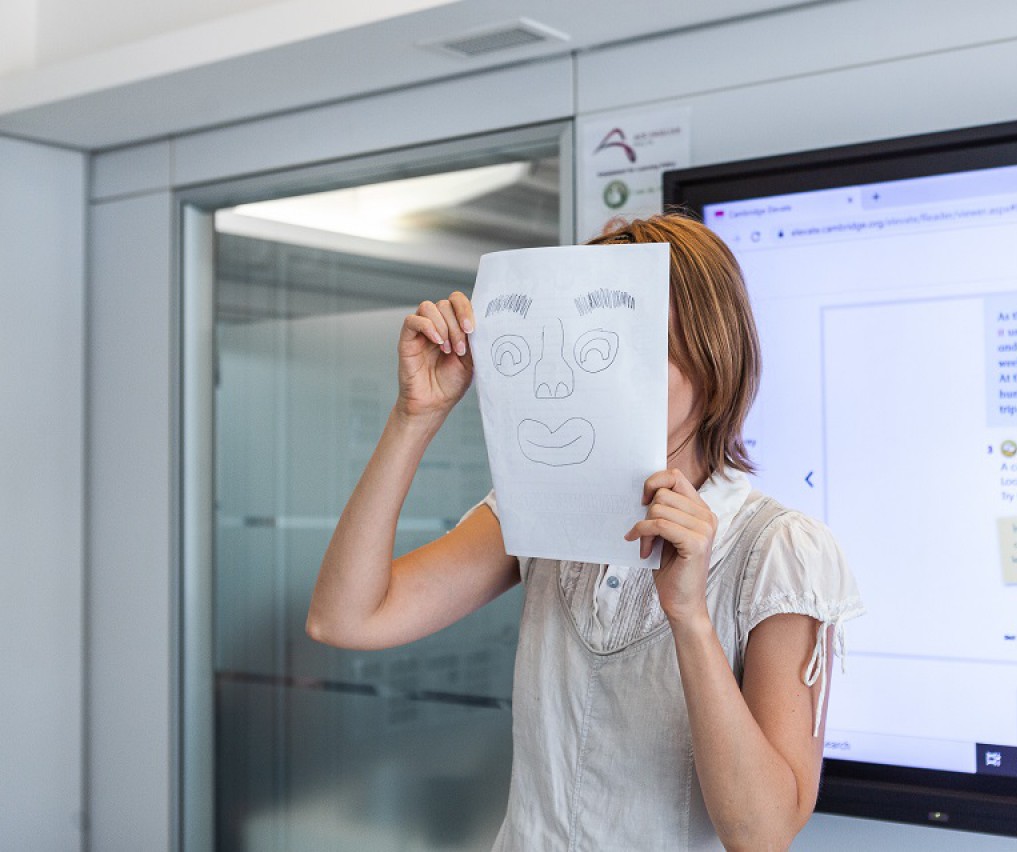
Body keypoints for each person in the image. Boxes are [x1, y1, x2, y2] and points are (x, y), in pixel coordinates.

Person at [306, 212, 864, 850]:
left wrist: (690, 617)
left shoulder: (781, 549)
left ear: (714, 359)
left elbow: (761, 834)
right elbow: (344, 619)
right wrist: (415, 416)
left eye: (630, 348)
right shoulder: (537, 505)